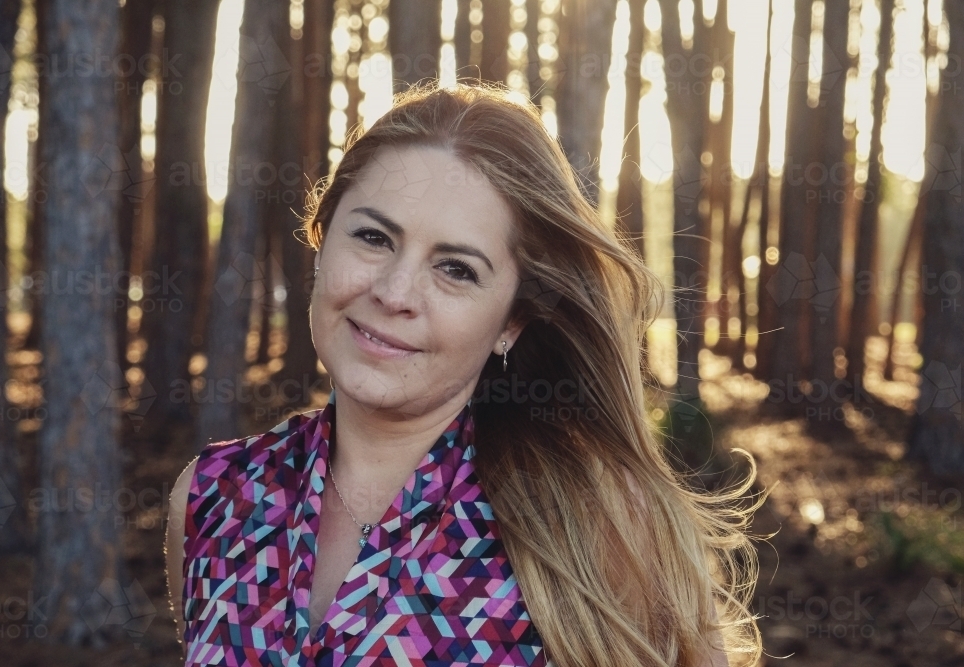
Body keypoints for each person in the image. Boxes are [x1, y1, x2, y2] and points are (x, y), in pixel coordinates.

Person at [165, 80, 762, 667]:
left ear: (512, 320)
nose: (396, 293)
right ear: (321, 242)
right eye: (373, 237)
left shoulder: (595, 520)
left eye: (456, 269)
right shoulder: (212, 496)